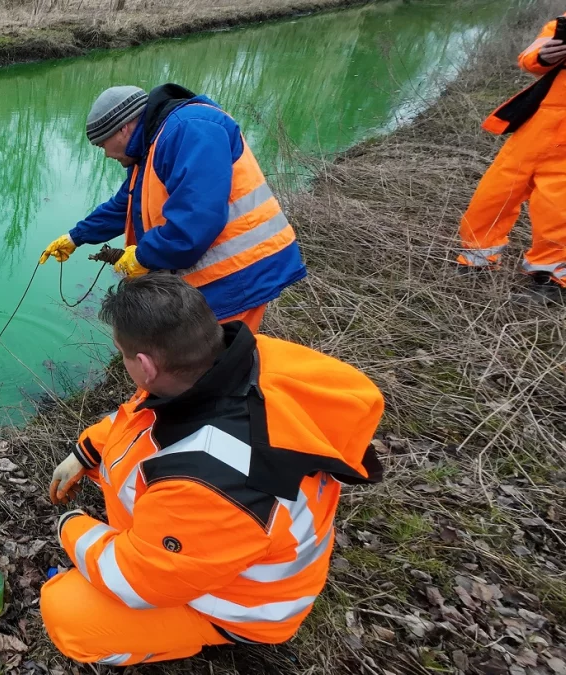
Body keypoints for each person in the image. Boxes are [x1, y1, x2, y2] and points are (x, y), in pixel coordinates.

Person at [39, 272, 385, 665]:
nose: (123, 363)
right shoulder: (227, 362)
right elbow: (142, 415)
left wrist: (72, 525)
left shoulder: (208, 479)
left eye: (122, 354)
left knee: (66, 611)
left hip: (244, 602)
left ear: (146, 365)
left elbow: (133, 579)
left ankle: (202, 636)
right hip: (217, 540)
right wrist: (87, 451)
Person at [38, 84, 306, 332]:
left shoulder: (190, 130)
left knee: (214, 366)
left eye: (102, 145)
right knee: (194, 364)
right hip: (212, 278)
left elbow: (196, 220)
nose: (106, 154)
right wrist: (76, 237)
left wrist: (143, 257)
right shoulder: (150, 148)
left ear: (123, 129)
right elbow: (125, 205)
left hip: (239, 276)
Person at [457, 12, 566, 294]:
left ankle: (550, 277)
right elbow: (531, 56)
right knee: (493, 194)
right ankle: (476, 259)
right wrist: (545, 55)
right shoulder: (562, 22)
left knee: (557, 209)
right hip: (536, 128)